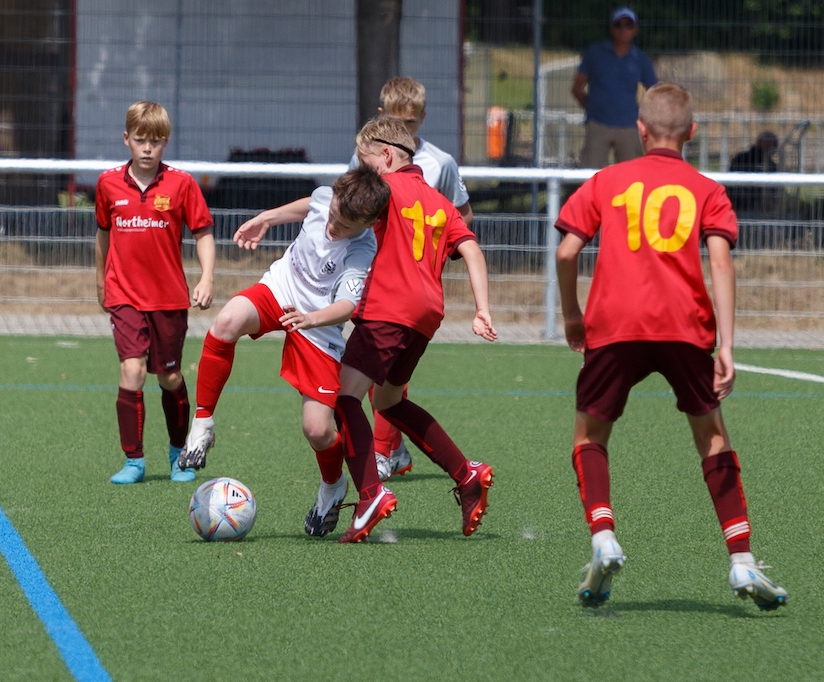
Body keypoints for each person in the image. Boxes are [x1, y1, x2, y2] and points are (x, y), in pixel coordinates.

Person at [555, 82, 789, 610]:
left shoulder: (607, 180)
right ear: (692, 132)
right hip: (685, 326)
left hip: (614, 324)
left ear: (640, 130)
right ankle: (742, 560)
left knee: (590, 435)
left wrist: (572, 313)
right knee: (712, 438)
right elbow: (721, 262)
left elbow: (567, 252)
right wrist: (727, 344)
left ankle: (604, 537)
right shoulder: (707, 189)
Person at [176, 166, 391, 537]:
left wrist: (311, 318)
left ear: (370, 223)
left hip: (318, 327)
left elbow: (347, 306)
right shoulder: (327, 198)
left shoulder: (362, 249)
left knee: (317, 430)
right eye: (333, 215)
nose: (332, 226)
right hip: (280, 289)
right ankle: (202, 425)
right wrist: (267, 218)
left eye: (344, 225)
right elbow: (311, 204)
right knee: (226, 322)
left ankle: (333, 486)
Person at [333, 116, 498, 544]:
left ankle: (370, 494)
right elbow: (472, 248)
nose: (362, 170)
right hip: (425, 316)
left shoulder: (384, 190)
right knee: (388, 401)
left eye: (365, 161)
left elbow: (336, 214)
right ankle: (466, 474)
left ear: (387, 155)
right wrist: (482, 309)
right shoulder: (440, 202)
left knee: (344, 397)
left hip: (387, 310)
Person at [349, 76, 474, 484]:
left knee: (350, 391)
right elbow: (350, 206)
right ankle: (440, 464)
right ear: (382, 117)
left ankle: (376, 467)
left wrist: (431, 257)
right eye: (398, 121)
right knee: (385, 389)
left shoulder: (438, 163)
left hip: (403, 289)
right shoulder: (369, 156)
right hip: (388, 283)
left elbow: (461, 215)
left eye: (412, 123)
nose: (405, 129)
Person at [95, 101, 215, 485]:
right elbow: (102, 234)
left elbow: (203, 233)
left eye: (156, 141)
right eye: (140, 140)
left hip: (168, 298)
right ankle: (134, 460)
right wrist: (100, 280)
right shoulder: (108, 183)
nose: (147, 148)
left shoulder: (182, 184)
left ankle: (180, 453)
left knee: (169, 377)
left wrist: (207, 277)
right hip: (124, 294)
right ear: (126, 139)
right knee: (131, 369)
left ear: (166, 142)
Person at [572, 7, 658, 169]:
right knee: (589, 173)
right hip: (598, 125)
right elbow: (577, 87)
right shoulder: (594, 53)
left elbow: (654, 92)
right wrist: (591, 108)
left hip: (629, 126)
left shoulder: (641, 59)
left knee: (631, 174)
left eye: (628, 25)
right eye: (618, 24)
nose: (623, 29)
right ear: (611, 28)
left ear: (635, 29)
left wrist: (641, 114)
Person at [727, 131, 779, 215]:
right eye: (774, 146)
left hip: (734, 202)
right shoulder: (771, 165)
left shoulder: (740, 157)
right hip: (755, 205)